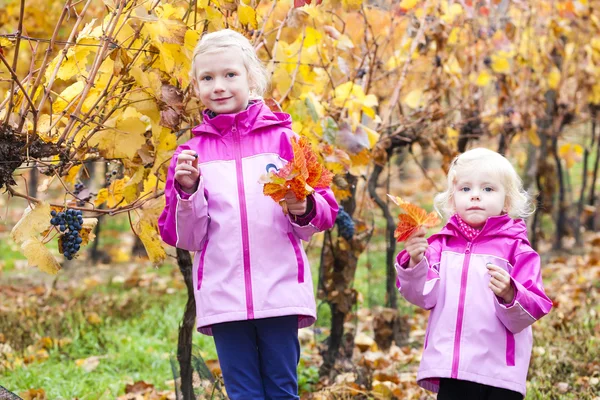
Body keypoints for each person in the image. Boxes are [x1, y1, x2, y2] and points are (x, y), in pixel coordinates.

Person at [158, 29, 338, 399]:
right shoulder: (190, 155)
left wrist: (304, 208)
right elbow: (184, 236)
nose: (219, 86)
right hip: (224, 295)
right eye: (207, 78)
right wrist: (187, 191)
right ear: (195, 86)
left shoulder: (287, 143)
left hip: (281, 288)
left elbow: (327, 210)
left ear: (251, 78)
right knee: (244, 393)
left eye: (230, 75)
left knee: (282, 388)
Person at [395, 147, 552, 400]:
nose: (475, 196)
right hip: (453, 368)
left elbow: (535, 306)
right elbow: (423, 297)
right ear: (452, 199)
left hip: (500, 371)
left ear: (507, 201)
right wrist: (415, 262)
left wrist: (511, 293)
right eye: (465, 189)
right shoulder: (440, 245)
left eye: (488, 189)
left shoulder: (517, 249)